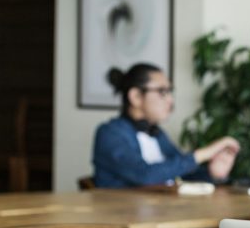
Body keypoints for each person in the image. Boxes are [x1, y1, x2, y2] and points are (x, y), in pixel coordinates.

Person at [92, 63, 239, 188]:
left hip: (162, 215)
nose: (170, 100)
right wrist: (202, 154)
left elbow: (181, 173)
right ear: (135, 96)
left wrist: (212, 173)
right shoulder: (109, 133)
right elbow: (145, 175)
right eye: (162, 92)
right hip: (124, 218)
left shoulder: (158, 134)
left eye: (170, 92)